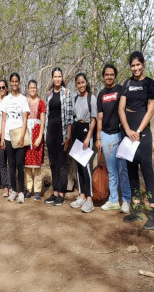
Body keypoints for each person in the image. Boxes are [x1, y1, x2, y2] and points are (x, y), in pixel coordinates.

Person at [119, 51, 154, 230]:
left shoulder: (149, 83)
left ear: (143, 64)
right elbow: (121, 109)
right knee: (131, 169)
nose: (135, 68)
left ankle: (153, 212)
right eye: (133, 65)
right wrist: (127, 130)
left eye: (138, 65)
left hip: (143, 132)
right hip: (128, 132)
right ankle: (135, 208)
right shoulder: (127, 83)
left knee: (147, 169)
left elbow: (151, 110)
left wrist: (138, 131)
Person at [96, 64, 131, 213]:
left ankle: (127, 200)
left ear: (115, 75)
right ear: (103, 76)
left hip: (120, 135)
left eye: (111, 74)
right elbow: (99, 117)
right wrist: (98, 137)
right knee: (111, 171)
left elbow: (126, 110)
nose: (109, 77)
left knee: (123, 169)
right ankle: (114, 200)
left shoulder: (120, 90)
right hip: (106, 136)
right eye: (106, 75)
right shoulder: (101, 94)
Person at [44, 67, 73, 206]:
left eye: (59, 76)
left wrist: (68, 136)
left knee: (61, 164)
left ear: (62, 78)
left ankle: (61, 194)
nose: (57, 79)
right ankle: (55, 192)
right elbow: (48, 114)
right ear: (52, 78)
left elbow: (69, 117)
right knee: (53, 163)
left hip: (61, 133)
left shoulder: (67, 93)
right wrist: (45, 135)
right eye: (55, 76)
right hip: (50, 133)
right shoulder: (49, 94)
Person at [69, 73, 97, 213]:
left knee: (86, 166)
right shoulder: (75, 99)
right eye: (78, 83)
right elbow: (73, 117)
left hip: (87, 131)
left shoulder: (92, 98)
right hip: (77, 131)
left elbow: (93, 119)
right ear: (76, 85)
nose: (81, 85)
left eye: (83, 82)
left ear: (86, 83)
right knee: (78, 166)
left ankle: (90, 200)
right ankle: (82, 196)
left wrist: (88, 137)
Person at [0, 73, 30, 204]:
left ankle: (21, 192)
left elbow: (25, 119)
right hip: (8, 136)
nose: (14, 84)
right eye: (12, 81)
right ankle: (13, 190)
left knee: (19, 164)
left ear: (19, 83)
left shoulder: (23, 99)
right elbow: (3, 120)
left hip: (19, 136)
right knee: (11, 165)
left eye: (16, 81)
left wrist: (22, 136)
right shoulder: (6, 99)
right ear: (10, 83)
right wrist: (2, 138)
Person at [24, 80, 46, 202]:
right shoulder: (25, 101)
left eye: (34, 87)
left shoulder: (41, 102)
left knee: (36, 164)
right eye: (30, 87)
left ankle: (37, 190)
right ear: (28, 89)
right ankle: (28, 188)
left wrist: (40, 137)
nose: (32, 89)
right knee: (27, 164)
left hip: (37, 133)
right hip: (27, 132)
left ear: (36, 89)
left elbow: (43, 121)